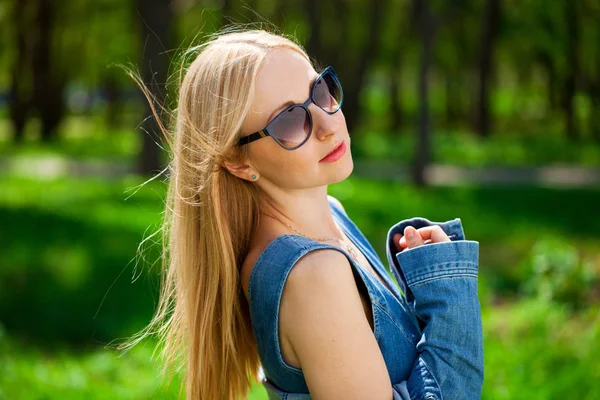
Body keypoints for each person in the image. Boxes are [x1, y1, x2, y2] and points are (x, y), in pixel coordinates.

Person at [118, 26, 484, 400]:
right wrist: (448, 290)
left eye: (320, 92)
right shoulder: (312, 274)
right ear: (238, 162)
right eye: (290, 120)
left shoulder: (331, 214)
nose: (328, 125)